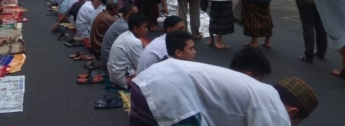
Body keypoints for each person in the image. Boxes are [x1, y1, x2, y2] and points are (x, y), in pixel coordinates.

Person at [131, 59, 318, 126]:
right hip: (169, 93)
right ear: (292, 112)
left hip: (148, 81)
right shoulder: (276, 111)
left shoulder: (261, 92)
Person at [107, 13, 148, 89]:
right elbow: (141, 66)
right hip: (122, 78)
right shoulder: (134, 42)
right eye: (144, 27)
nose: (147, 30)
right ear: (135, 29)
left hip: (114, 74)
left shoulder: (125, 34)